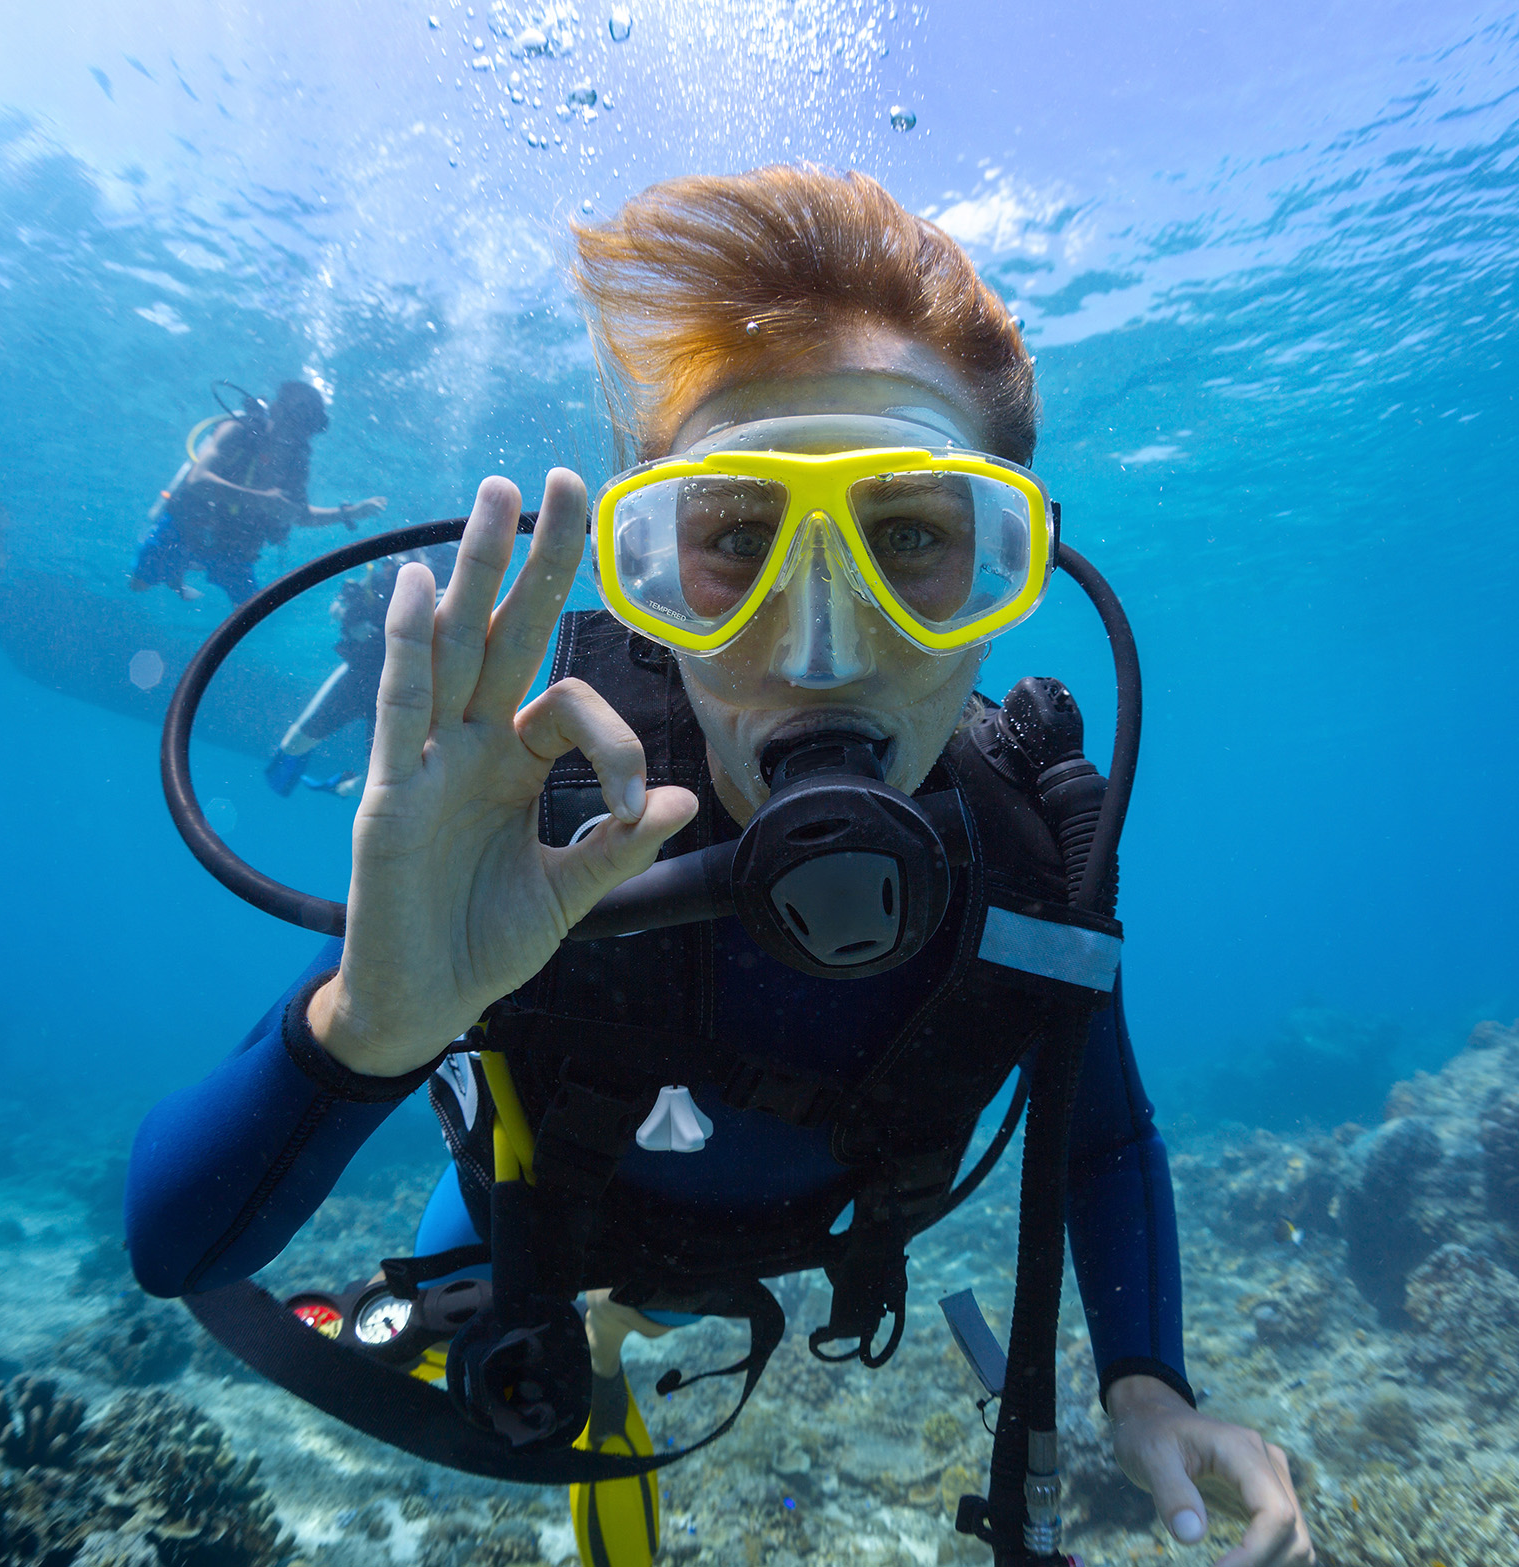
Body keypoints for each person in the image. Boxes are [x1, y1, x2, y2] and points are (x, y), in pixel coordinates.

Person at [125, 169, 1314, 1567]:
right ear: (654, 580)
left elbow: (1105, 1134)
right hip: (548, 1218)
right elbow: (176, 1251)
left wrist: (1147, 1379)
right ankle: (570, 1318)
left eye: (916, 538)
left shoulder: (1030, 863)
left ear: (1011, 576)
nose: (821, 647)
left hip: (815, 1234)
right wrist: (367, 1026)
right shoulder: (548, 818)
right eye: (737, 541)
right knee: (481, 1317)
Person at [129, 380, 387, 604]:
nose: (297, 426)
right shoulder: (239, 430)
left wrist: (349, 513)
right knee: (138, 584)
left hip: (235, 551)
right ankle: (177, 573)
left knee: (250, 614)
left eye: (308, 421)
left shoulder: (297, 463)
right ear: (275, 407)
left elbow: (299, 515)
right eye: (295, 413)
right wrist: (261, 500)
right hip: (187, 530)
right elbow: (197, 480)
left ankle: (180, 571)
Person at [264, 547, 457, 797]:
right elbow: (340, 608)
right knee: (293, 745)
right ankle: (292, 777)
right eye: (391, 562)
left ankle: (339, 787)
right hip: (359, 676)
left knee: (377, 781)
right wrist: (348, 617)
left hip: (403, 691)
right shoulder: (377, 581)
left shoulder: (443, 591)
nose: (393, 565)